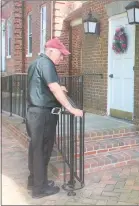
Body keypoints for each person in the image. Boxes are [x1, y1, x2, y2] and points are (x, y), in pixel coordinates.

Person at [26, 38, 83, 199]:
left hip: (34, 113)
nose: (62, 58)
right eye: (61, 54)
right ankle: (40, 189)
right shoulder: (47, 63)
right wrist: (71, 108)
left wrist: (59, 88)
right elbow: (53, 87)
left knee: (35, 149)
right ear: (50, 50)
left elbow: (41, 86)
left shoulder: (36, 63)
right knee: (42, 151)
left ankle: (36, 181)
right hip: (43, 115)